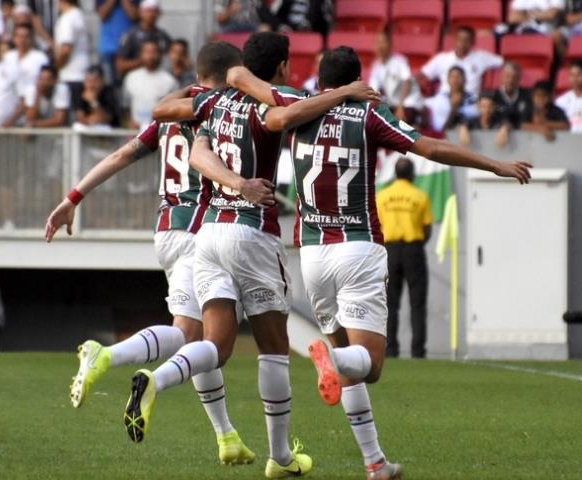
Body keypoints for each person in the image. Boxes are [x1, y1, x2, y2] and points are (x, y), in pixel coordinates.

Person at [223, 45, 531, 479]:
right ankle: (332, 364)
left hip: (311, 253)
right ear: (356, 79)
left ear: (319, 79)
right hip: (358, 247)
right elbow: (431, 148)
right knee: (369, 364)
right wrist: (493, 165)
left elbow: (240, 77)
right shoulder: (369, 115)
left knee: (345, 362)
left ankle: (375, 462)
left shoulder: (296, 105)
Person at [130, 31, 379, 478]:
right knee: (274, 349)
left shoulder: (211, 103)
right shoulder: (268, 109)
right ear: (282, 68)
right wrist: (342, 93)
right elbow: (291, 115)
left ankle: (157, 378)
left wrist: (212, 86)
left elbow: (175, 127)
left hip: (206, 235)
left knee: (216, 345)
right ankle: (279, 458)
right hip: (252, 235)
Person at [44, 40, 257, 467]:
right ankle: (110, 355)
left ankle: (227, 437)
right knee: (214, 341)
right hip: (205, 229)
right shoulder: (222, 108)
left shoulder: (168, 113)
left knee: (189, 335)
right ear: (234, 75)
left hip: (167, 231)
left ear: (197, 76)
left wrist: (73, 197)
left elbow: (123, 154)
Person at [377, 158, 431, 361]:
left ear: (396, 174)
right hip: (414, 250)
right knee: (417, 303)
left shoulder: (382, 196)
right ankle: (418, 352)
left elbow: (376, 226)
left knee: (390, 303)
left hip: (389, 250)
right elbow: (427, 229)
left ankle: (390, 350)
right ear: (411, 174)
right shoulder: (420, 196)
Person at [417, 26, 503, 99]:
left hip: (470, 101)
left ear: (473, 42)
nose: (462, 43)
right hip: (445, 99)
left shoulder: (482, 57)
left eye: (466, 40)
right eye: (460, 40)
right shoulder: (441, 58)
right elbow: (421, 75)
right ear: (454, 40)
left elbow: (504, 62)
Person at [369, 30, 422, 124]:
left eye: (383, 42)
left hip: (408, 103)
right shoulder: (376, 65)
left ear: (390, 45)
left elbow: (407, 83)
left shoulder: (400, 60)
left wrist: (400, 107)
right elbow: (373, 90)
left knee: (402, 122)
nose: (380, 46)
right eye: (378, 42)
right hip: (392, 104)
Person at [122, 40, 178, 128]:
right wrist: (129, 122)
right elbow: (125, 106)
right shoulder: (131, 77)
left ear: (160, 55)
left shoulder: (169, 80)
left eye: (154, 52)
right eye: (147, 52)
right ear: (141, 54)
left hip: (158, 131)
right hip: (135, 131)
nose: (150, 56)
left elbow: (174, 109)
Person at [116, 0, 173, 80]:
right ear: (140, 12)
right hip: (135, 79)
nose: (151, 14)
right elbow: (120, 65)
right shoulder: (131, 35)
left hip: (159, 79)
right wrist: (145, 61)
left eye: (154, 11)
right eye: (148, 11)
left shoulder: (163, 36)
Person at [54, 0, 90, 100]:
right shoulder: (79, 15)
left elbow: (65, 49)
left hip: (70, 75)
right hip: (82, 73)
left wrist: (56, 68)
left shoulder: (67, 18)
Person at [96, 0, 138, 85]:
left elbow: (134, 15)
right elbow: (102, 14)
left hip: (129, 50)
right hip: (108, 49)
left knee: (130, 83)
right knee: (108, 86)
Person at [425, 65, 477, 132]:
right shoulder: (440, 99)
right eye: (452, 77)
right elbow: (442, 131)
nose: (455, 80)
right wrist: (454, 109)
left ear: (465, 79)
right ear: (448, 80)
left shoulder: (473, 99)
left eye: (458, 77)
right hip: (442, 138)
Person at [3, 24, 49, 95]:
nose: (22, 40)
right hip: (12, 98)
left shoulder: (40, 57)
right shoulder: (8, 56)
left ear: (31, 38)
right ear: (14, 38)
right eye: (19, 36)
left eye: (26, 36)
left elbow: (46, 81)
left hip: (33, 98)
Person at [492, 62, 531, 128]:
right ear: (501, 77)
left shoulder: (528, 95)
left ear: (519, 79)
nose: (510, 80)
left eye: (514, 77)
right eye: (507, 76)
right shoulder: (493, 96)